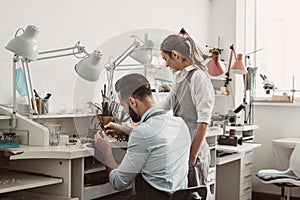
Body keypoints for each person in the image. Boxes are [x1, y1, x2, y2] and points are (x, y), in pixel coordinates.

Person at [94, 73, 191, 200]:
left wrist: (106, 151)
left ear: (133, 102)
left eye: (124, 106)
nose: (126, 112)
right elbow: (155, 134)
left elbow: (118, 182)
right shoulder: (180, 124)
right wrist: (125, 129)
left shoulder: (141, 133)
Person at [159, 29, 215, 186]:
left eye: (166, 59)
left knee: (195, 192)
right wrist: (146, 116)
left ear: (175, 55)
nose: (166, 64)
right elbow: (167, 103)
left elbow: (204, 121)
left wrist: (193, 155)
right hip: (182, 144)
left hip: (194, 147)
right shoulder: (179, 76)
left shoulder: (198, 77)